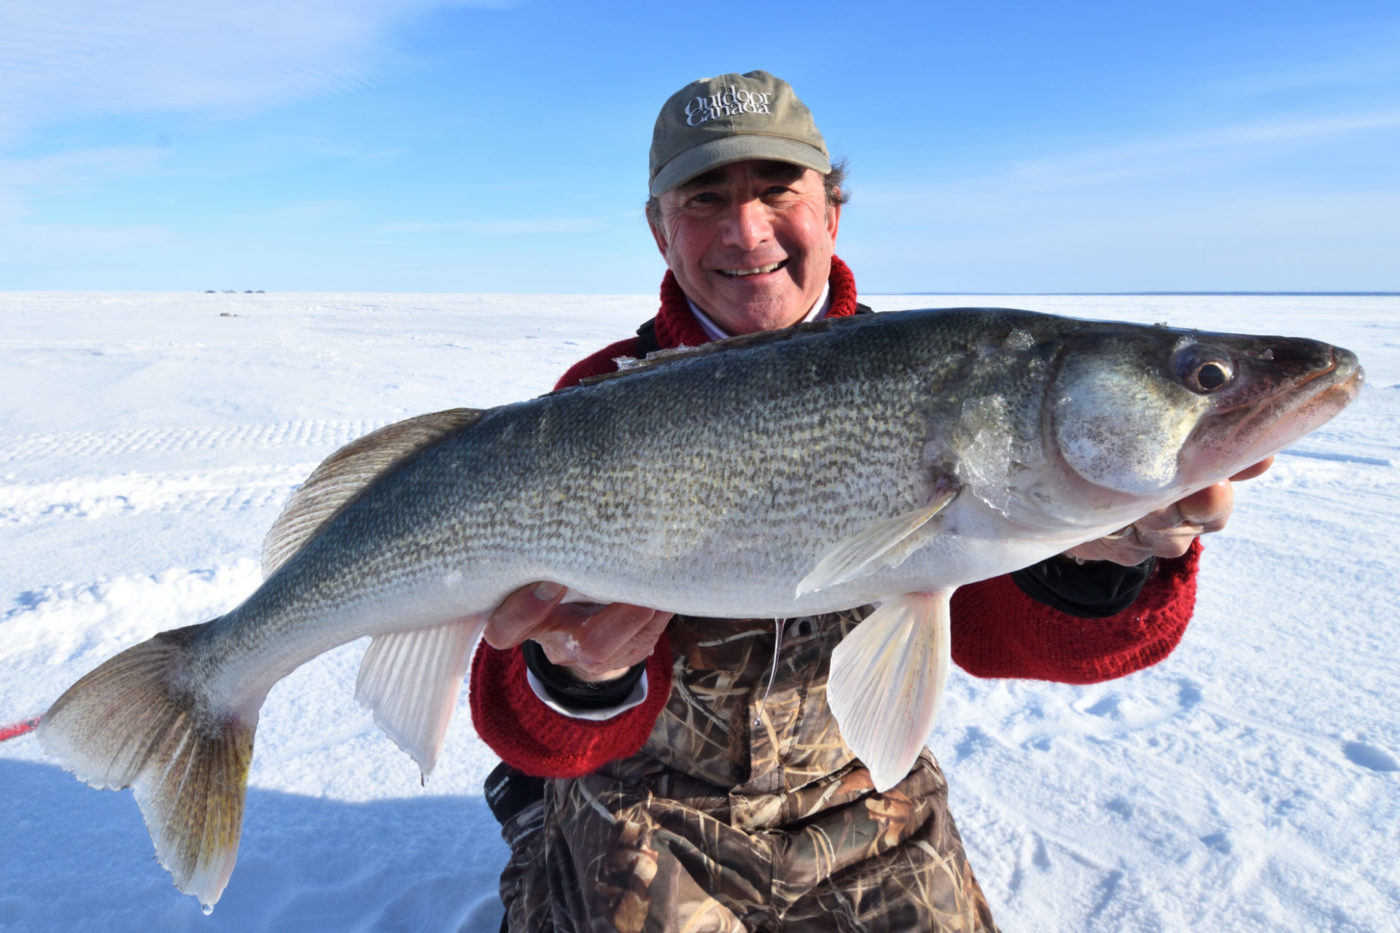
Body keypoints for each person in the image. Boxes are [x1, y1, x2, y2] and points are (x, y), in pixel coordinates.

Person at [469, 70, 1270, 932]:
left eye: (779, 190)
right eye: (704, 198)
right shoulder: (593, 403)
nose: (747, 230)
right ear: (661, 231)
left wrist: (1098, 556)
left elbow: (1011, 639)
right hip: (652, 807)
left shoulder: (954, 383)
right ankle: (537, 827)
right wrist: (580, 672)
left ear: (832, 211)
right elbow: (522, 714)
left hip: (863, 807)